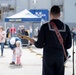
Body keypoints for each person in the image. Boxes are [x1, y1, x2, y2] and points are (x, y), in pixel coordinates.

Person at [30, 5, 72, 75]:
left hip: (48, 56)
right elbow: (69, 45)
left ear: (50, 14)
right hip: (60, 56)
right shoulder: (66, 27)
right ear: (59, 15)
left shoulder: (45, 27)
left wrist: (34, 42)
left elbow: (39, 44)